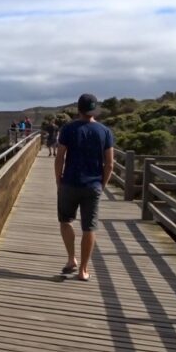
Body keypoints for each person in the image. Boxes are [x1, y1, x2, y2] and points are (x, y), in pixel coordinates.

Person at [54, 93, 114, 281]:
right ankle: (83, 270)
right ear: (94, 110)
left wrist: (58, 181)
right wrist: (101, 185)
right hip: (93, 185)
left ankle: (71, 259)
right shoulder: (105, 131)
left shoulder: (68, 129)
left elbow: (60, 157)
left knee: (65, 221)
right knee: (89, 228)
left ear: (78, 109)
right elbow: (110, 163)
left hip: (70, 183)